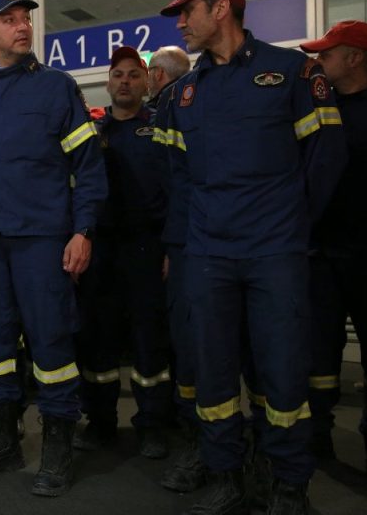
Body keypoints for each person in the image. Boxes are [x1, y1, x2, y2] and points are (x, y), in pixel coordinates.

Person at [156, 0, 347, 514]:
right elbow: (178, 176)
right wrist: (192, 244)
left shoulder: (292, 72)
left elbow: (327, 158)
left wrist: (290, 223)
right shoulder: (183, 93)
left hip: (275, 252)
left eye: (187, 11)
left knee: (283, 368)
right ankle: (227, 475)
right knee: (213, 370)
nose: (180, 23)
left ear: (220, 9)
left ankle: (288, 483)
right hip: (210, 254)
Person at [0, 0, 107, 498]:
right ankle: (3, 438)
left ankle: (58, 445)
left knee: (52, 343)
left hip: (41, 239)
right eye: (9, 20)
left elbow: (89, 168)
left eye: (25, 20)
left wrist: (83, 231)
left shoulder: (57, 89)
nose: (22, 27)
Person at [74, 46, 174, 458]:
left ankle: (152, 426)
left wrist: (171, 246)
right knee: (98, 339)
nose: (126, 82)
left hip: (148, 247)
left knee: (150, 340)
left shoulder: (161, 127)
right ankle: (100, 423)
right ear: (108, 82)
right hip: (100, 248)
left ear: (147, 81)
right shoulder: (91, 132)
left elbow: (177, 188)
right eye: (118, 75)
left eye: (134, 75)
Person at [299, 20, 367, 480]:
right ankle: (318, 438)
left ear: (354, 58)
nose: (318, 60)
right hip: (322, 255)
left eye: (327, 54)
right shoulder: (316, 106)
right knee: (318, 356)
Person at [146, 45, 207, 493]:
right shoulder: (176, 104)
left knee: (203, 348)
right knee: (193, 349)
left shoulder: (178, 103)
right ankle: (202, 442)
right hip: (186, 241)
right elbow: (172, 181)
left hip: (201, 242)